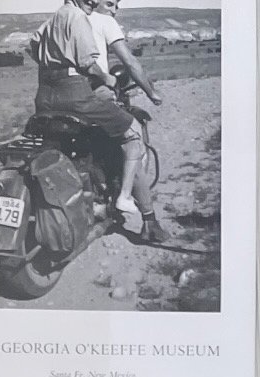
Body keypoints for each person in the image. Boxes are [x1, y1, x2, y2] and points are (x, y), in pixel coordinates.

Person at [31, 0, 169, 244]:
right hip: (79, 94)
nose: (96, 5)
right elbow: (106, 62)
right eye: (109, 3)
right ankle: (137, 209)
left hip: (45, 97)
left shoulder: (52, 19)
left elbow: (32, 47)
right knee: (132, 133)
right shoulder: (88, 18)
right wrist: (113, 80)